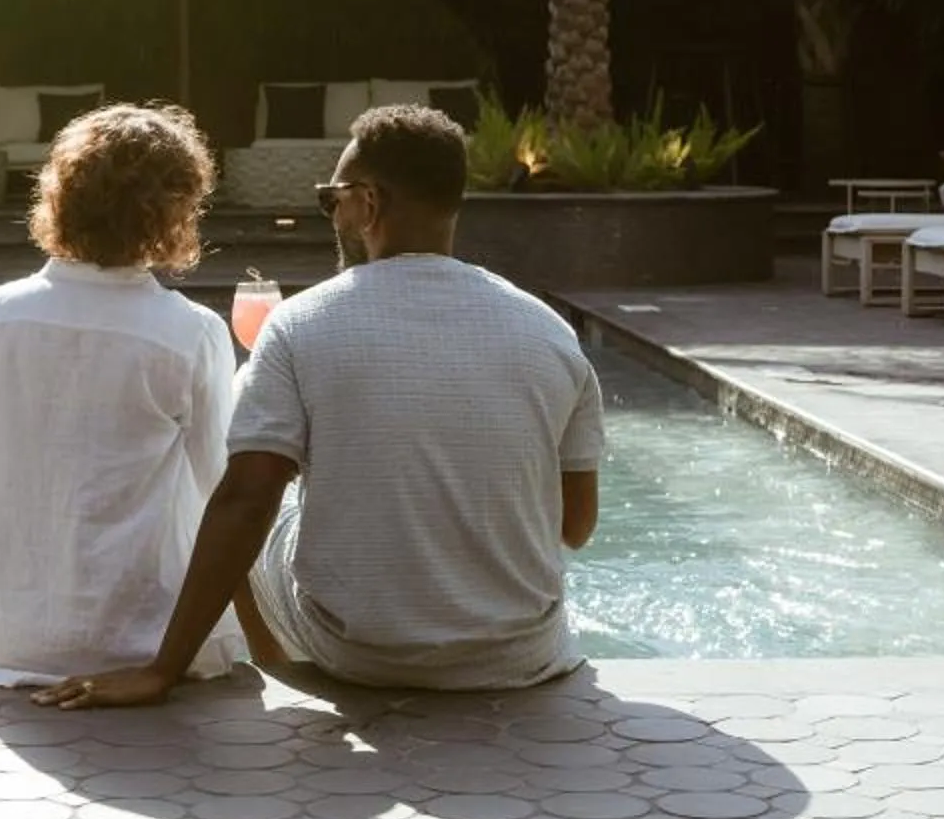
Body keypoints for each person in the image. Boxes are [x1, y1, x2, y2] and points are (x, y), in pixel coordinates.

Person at [37, 104, 602, 708]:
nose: (331, 215)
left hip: (361, 655)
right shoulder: (549, 332)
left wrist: (161, 671)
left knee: (236, 499)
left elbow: (245, 503)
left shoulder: (300, 325)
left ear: (368, 203)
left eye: (332, 200)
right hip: (521, 655)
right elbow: (575, 527)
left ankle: (277, 672)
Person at [0, 103, 249, 686]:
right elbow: (221, 490)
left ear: (60, 197)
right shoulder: (190, 332)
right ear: (175, 212)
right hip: (138, 638)